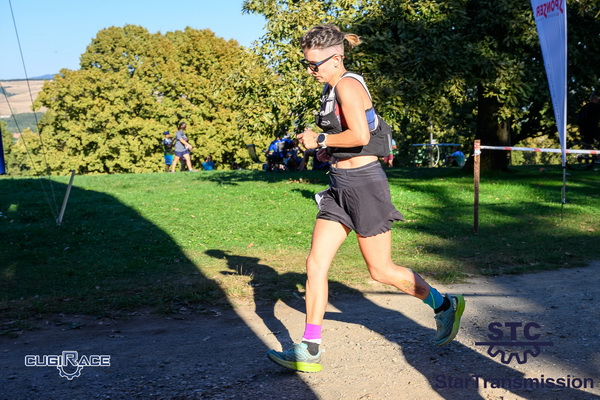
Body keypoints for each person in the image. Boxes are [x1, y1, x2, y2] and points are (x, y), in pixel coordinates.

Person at [266, 25, 465, 373]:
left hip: (364, 186)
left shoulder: (347, 85)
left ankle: (444, 305)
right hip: (338, 186)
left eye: (315, 64)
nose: (310, 71)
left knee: (381, 270)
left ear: (336, 58)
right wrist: (328, 151)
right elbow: (353, 137)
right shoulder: (331, 88)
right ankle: (310, 349)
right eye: (306, 64)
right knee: (315, 265)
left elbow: (359, 134)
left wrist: (321, 141)